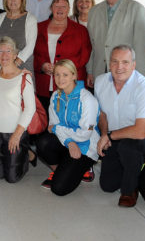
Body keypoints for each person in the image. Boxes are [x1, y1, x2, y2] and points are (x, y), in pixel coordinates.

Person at [96, 45, 145, 207]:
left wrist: (109, 136)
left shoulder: (144, 87)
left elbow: (140, 131)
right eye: (115, 62)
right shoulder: (100, 82)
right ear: (109, 63)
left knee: (128, 147)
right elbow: (102, 114)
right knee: (107, 185)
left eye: (125, 62)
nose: (119, 67)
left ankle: (130, 190)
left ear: (134, 64)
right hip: (116, 136)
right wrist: (105, 134)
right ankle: (135, 171)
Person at [36, 59, 99, 195]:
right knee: (43, 143)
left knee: (59, 189)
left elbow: (85, 134)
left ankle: (85, 168)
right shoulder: (55, 96)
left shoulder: (87, 99)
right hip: (67, 142)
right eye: (57, 74)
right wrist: (69, 142)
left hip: (85, 146)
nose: (60, 78)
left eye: (65, 74)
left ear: (74, 76)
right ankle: (60, 170)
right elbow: (51, 126)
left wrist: (58, 129)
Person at [0, 36, 35, 183]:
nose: (4, 55)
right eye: (0, 51)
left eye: (8, 51)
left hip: (14, 131)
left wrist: (17, 134)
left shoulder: (24, 77)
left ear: (15, 54)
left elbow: (30, 109)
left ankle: (28, 154)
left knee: (12, 178)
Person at [86, 0, 145, 88]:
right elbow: (91, 45)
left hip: (127, 74)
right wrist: (90, 70)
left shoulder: (136, 9)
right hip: (100, 72)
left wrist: (139, 77)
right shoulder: (93, 12)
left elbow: (141, 47)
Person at [33, 0, 91, 113]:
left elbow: (85, 56)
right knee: (46, 121)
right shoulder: (38, 28)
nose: (60, 9)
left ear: (69, 9)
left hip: (71, 85)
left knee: (70, 119)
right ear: (51, 8)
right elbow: (32, 53)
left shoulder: (81, 30)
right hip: (44, 84)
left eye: (63, 6)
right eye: (56, 6)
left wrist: (64, 70)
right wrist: (42, 65)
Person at [0, 0, 37, 73]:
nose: (13, 0)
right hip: (1, 68)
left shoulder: (31, 19)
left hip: (22, 68)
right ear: (6, 0)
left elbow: (30, 46)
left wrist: (14, 64)